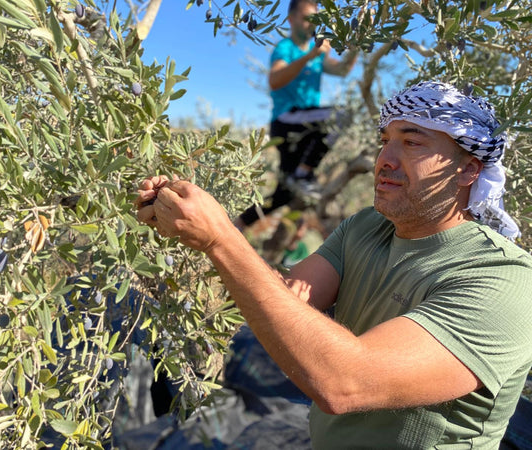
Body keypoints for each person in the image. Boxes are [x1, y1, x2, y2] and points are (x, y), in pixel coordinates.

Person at [136, 81, 532, 448]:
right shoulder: (367, 227)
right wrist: (191, 228)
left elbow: (346, 383)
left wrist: (221, 238)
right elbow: (288, 300)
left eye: (412, 143)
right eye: (385, 141)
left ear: (468, 169)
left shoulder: (503, 279)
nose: (384, 160)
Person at [236, 0, 358, 229]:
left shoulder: (319, 53)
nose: (311, 23)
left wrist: (360, 42)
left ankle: (237, 225)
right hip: (287, 120)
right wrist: (309, 56)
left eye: (315, 18)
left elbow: (342, 70)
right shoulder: (286, 47)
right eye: (306, 17)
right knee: (341, 115)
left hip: (308, 127)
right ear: (291, 19)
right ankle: (304, 174)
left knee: (283, 194)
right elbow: (274, 80)